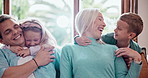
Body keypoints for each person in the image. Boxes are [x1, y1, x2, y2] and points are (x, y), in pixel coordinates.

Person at [60, 8, 141, 78]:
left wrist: (137, 59)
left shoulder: (113, 49)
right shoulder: (68, 50)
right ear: (87, 20)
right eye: (100, 19)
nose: (104, 24)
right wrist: (76, 38)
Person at [75, 13, 143, 69]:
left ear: (130, 35)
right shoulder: (107, 38)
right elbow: (91, 39)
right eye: (116, 26)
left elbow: (139, 64)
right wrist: (77, 38)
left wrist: (132, 61)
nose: (115, 30)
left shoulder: (136, 48)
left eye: (119, 29)